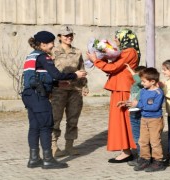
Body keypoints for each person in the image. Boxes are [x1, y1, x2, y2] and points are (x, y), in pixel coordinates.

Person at [21, 31, 87, 169]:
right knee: (46, 126)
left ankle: (34, 159)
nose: (53, 46)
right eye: (51, 43)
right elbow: (56, 74)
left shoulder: (31, 55)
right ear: (43, 44)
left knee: (34, 127)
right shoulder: (43, 57)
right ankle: (48, 159)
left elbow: (41, 76)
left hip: (29, 95)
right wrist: (75, 75)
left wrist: (57, 84)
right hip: (39, 96)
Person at [86, 29, 141, 163]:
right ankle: (126, 150)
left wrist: (96, 60)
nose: (115, 40)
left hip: (123, 88)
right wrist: (103, 53)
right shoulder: (127, 51)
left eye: (117, 38)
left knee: (122, 120)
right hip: (120, 87)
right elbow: (116, 65)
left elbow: (114, 67)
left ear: (124, 38)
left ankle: (128, 151)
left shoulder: (129, 51)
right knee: (121, 120)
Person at [51, 26, 88, 157]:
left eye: (71, 35)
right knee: (56, 118)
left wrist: (84, 86)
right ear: (59, 37)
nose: (69, 37)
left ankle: (69, 146)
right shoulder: (53, 51)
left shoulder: (77, 52)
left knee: (73, 119)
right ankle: (53, 146)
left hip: (75, 90)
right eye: (66, 35)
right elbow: (49, 71)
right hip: (58, 90)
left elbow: (82, 69)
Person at [127, 67, 166, 172]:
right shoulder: (144, 91)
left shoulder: (158, 93)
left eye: (144, 81)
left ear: (152, 81)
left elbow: (154, 107)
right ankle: (145, 159)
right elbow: (141, 103)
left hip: (155, 120)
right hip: (144, 118)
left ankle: (158, 161)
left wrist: (138, 105)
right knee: (142, 140)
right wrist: (132, 103)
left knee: (154, 141)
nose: (142, 83)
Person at [122, 64, 146, 166]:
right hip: (133, 111)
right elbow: (133, 97)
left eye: (136, 74)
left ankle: (143, 157)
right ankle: (141, 156)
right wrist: (126, 103)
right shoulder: (136, 85)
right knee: (136, 137)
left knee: (141, 136)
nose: (134, 76)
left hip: (139, 112)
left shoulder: (142, 85)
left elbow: (140, 81)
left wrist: (131, 71)